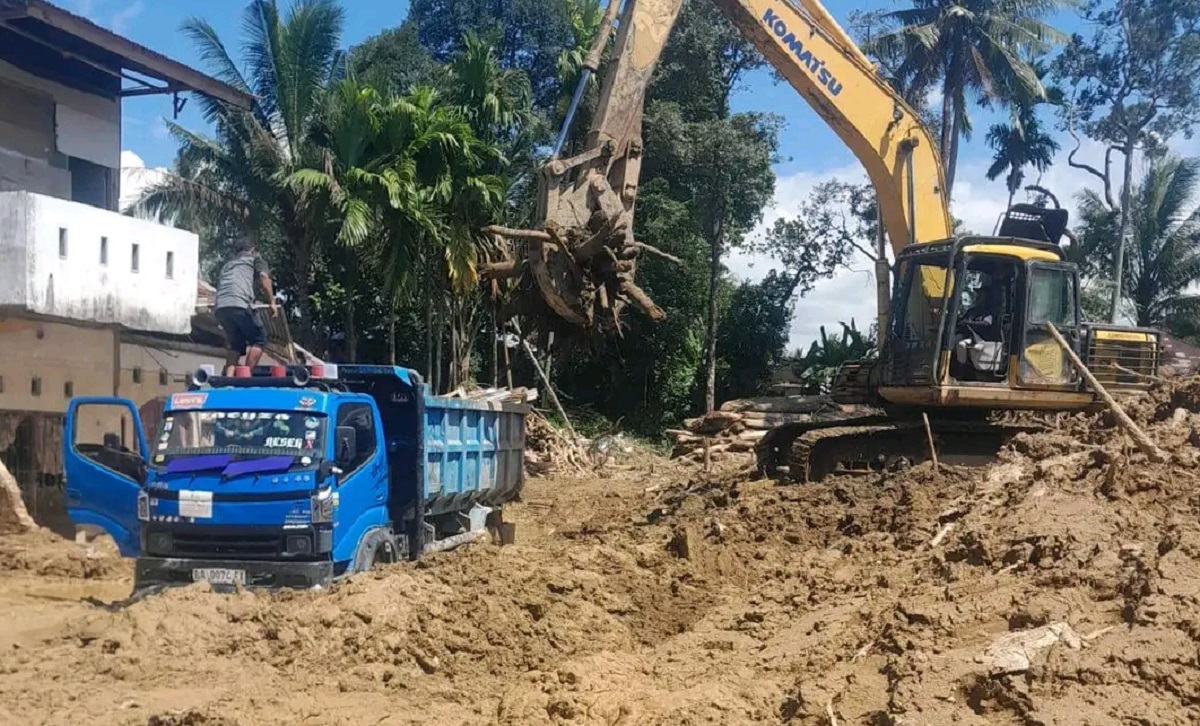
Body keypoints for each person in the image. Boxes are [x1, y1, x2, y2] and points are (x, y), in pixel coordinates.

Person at [214, 236, 277, 374]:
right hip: (239, 303)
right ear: (253, 249)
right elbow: (264, 278)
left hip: (221, 307)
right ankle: (245, 375)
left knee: (235, 344)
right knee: (260, 339)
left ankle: (229, 380)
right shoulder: (255, 258)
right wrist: (272, 302)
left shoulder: (228, 265)